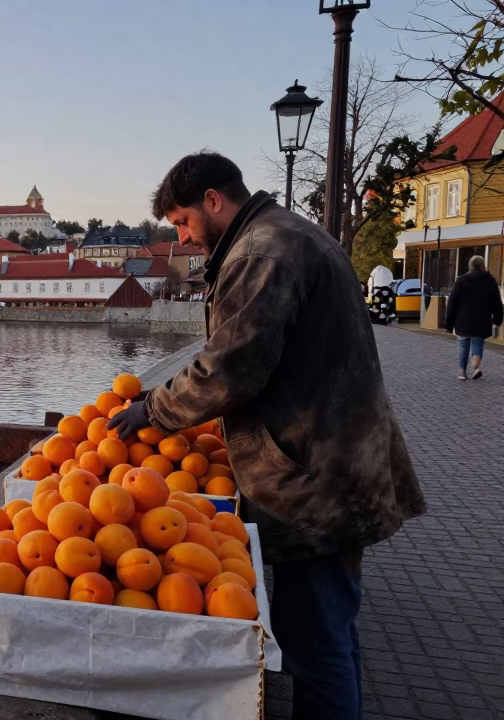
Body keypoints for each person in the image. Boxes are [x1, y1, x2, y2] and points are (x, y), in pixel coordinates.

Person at [109, 152, 425, 720]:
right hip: (336, 462)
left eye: (182, 222)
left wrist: (152, 410)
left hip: (315, 477)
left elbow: (231, 368)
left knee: (314, 640)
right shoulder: (286, 234)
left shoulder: (261, 253)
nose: (181, 238)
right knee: (331, 626)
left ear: (213, 200)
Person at [444, 254, 503, 380]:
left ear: (470, 265)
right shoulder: (490, 281)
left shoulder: (461, 280)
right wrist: (498, 319)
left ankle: (461, 372)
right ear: (483, 265)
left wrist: (448, 323)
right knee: (477, 343)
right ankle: (475, 367)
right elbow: (496, 302)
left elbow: (452, 302)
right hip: (482, 320)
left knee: (463, 345)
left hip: (463, 320)